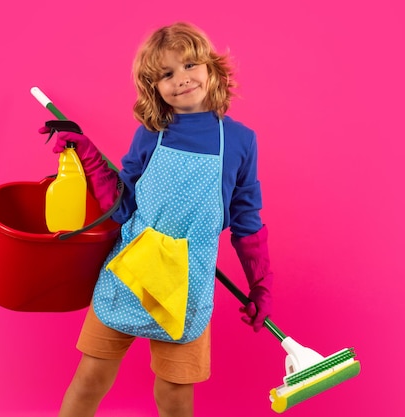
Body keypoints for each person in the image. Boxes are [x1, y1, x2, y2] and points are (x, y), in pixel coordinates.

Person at [40, 21, 273, 417]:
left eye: (189, 66)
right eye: (166, 74)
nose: (181, 79)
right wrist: (87, 153)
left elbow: (247, 219)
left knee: (175, 395)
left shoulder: (239, 140)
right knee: (90, 378)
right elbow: (122, 204)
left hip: (187, 286)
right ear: (154, 87)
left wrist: (261, 285)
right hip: (129, 273)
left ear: (212, 68)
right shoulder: (152, 133)